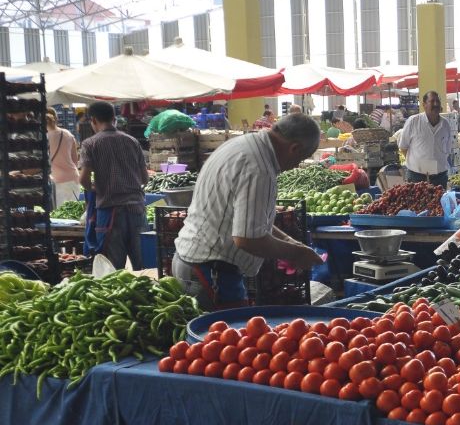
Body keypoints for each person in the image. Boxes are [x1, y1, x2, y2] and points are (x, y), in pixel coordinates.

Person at [173, 114, 324, 310]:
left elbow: (248, 221)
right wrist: (296, 254)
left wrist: (290, 242)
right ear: (294, 148)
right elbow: (248, 238)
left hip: (191, 263)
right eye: (300, 159)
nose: (295, 166)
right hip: (210, 274)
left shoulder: (242, 144)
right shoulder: (259, 168)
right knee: (222, 339)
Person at [78, 102, 148, 270]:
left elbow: (83, 179)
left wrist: (93, 187)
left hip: (110, 213)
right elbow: (144, 178)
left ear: (93, 120)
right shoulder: (132, 141)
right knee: (144, 266)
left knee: (113, 270)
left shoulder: (90, 144)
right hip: (137, 210)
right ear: (114, 119)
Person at [398, 90, 453, 188]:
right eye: (432, 101)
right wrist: (417, 164)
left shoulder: (445, 124)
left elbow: (448, 150)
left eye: (438, 101)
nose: (436, 104)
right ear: (424, 105)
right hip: (416, 177)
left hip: (439, 178)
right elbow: (403, 147)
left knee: (439, 203)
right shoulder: (413, 122)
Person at [46, 109, 81, 208]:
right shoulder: (68, 134)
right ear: (56, 118)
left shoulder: (43, 138)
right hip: (73, 178)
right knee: (74, 215)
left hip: (55, 181)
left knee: (60, 217)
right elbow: (75, 160)